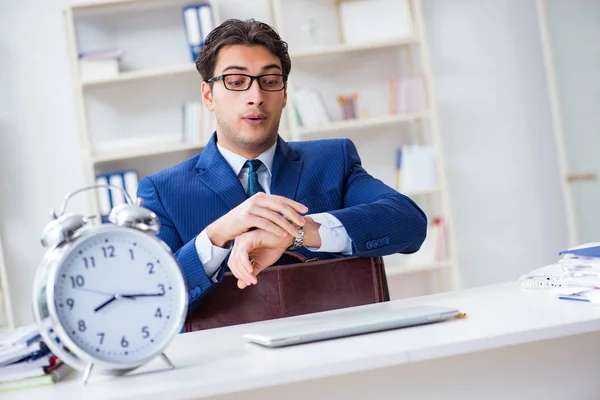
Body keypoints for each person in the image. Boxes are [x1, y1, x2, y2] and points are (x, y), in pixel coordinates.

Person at [137, 18, 427, 310]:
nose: (256, 97)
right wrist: (216, 236)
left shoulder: (333, 159)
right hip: (228, 351)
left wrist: (296, 232)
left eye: (270, 81)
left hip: (335, 344)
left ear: (284, 94)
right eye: (236, 82)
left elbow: (409, 223)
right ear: (208, 95)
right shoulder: (162, 191)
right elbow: (151, 300)